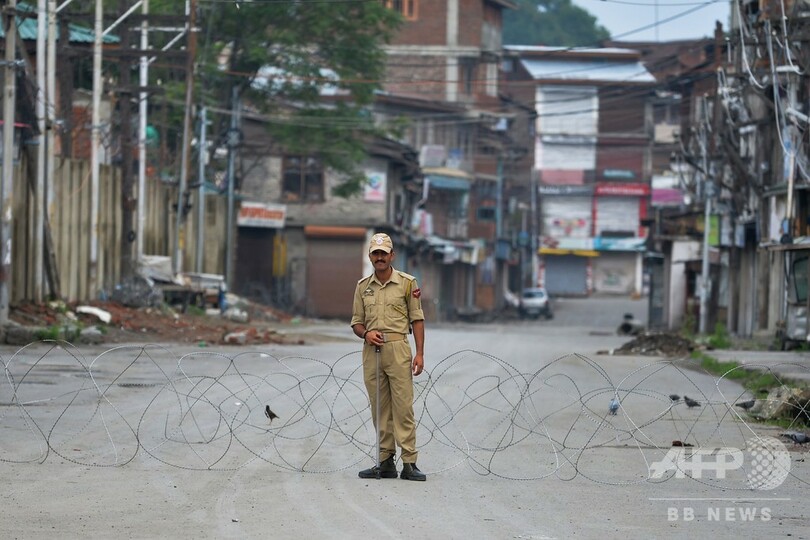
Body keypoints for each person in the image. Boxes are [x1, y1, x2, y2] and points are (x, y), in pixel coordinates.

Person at [350, 232, 426, 481]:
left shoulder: (407, 283)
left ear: (392, 255)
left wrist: (420, 354)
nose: (380, 257)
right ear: (370, 256)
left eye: (384, 253)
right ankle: (385, 461)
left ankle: (410, 463)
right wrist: (366, 334)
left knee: (403, 407)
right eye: (376, 253)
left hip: (398, 349)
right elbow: (356, 323)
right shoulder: (363, 287)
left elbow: (417, 319)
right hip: (372, 352)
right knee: (380, 407)